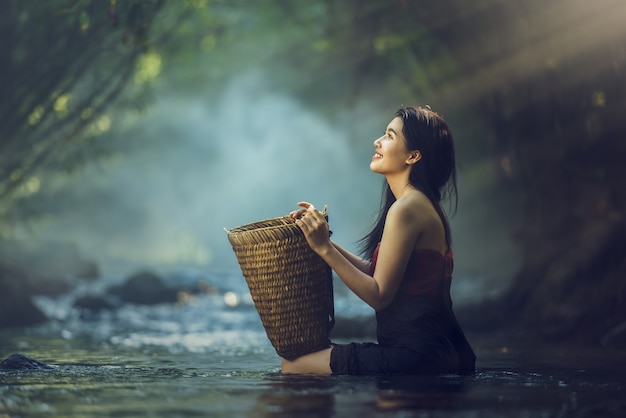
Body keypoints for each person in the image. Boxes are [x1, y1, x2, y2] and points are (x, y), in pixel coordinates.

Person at [282, 106, 476, 375]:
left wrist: (324, 248)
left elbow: (379, 295)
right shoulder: (423, 203)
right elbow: (379, 273)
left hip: (415, 356)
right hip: (445, 352)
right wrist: (318, 238)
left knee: (293, 366)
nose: (378, 141)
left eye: (389, 135)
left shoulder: (406, 209)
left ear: (413, 156)